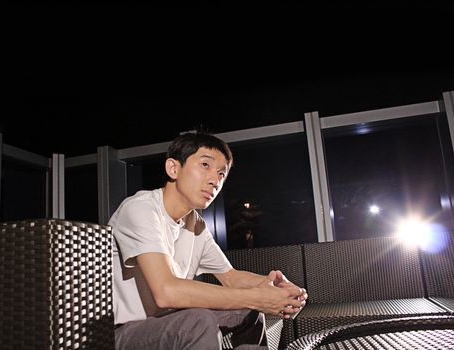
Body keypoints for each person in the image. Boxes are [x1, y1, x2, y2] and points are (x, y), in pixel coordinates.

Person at [110, 131, 308, 350]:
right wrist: (257, 297)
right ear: (173, 168)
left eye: (222, 174)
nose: (215, 180)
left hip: (166, 321)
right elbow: (166, 292)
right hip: (120, 332)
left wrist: (273, 288)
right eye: (205, 165)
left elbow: (231, 277)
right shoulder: (141, 208)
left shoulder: (195, 224)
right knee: (199, 321)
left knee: (248, 312)